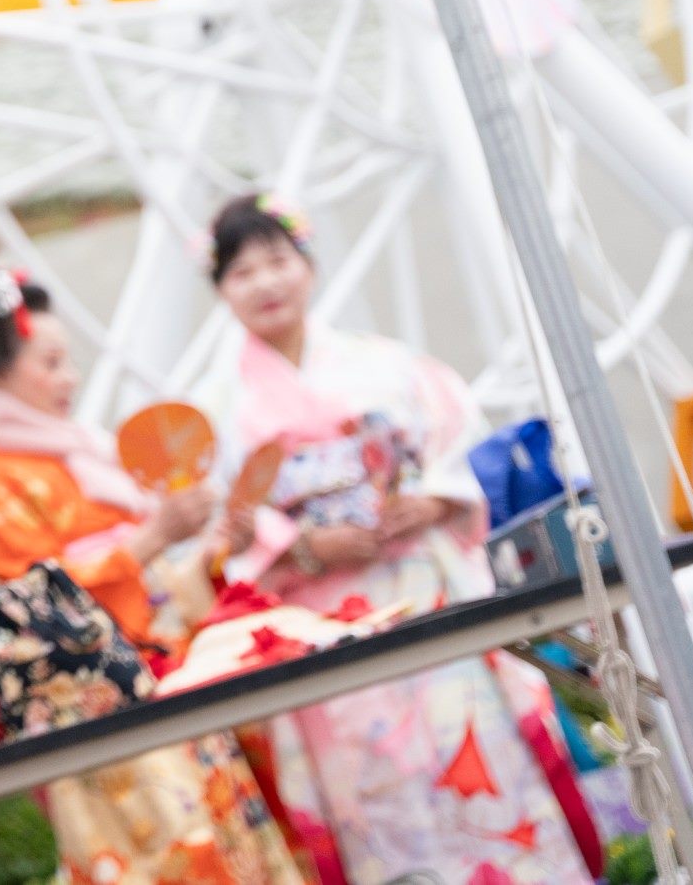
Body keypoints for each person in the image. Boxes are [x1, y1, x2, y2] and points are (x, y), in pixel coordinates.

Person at [193, 195, 598, 885]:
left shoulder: (386, 365)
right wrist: (301, 546)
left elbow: (458, 446)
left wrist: (432, 500)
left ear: (308, 266)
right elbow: (218, 530)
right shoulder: (218, 409)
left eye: (277, 261)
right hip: (316, 624)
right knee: (372, 785)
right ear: (222, 289)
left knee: (475, 744)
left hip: (421, 590)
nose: (265, 283)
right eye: (242, 272)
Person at [0, 267, 301, 885]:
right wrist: (153, 538)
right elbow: (37, 603)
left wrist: (210, 552)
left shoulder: (79, 454)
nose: (70, 379)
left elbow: (156, 588)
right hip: (102, 721)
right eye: (51, 363)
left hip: (165, 684)